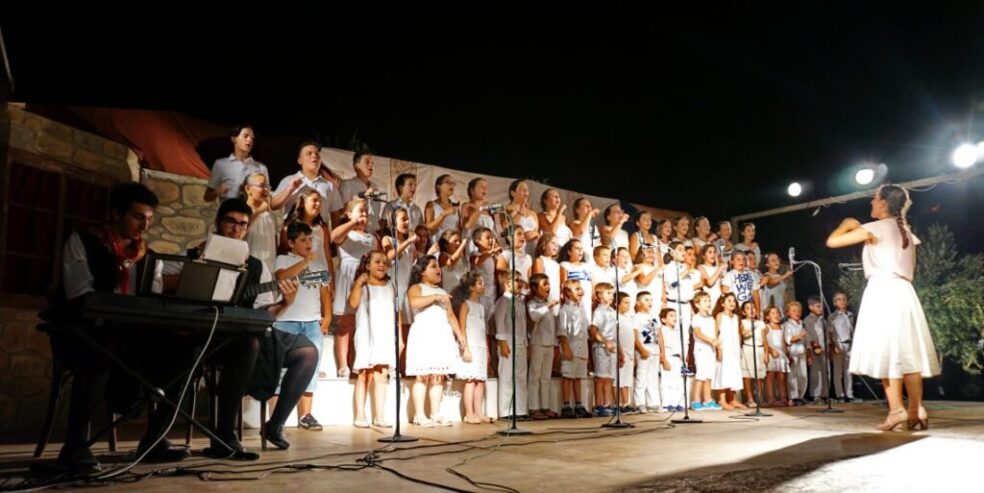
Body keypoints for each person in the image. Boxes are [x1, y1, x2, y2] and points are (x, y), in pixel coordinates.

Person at [825, 184, 940, 431]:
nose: (871, 203)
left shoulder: (874, 228)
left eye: (874, 199)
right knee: (908, 354)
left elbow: (832, 241)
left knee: (887, 353)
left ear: (883, 203)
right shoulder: (906, 232)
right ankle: (916, 409)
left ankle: (897, 410)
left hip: (882, 292)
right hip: (905, 292)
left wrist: (846, 224)